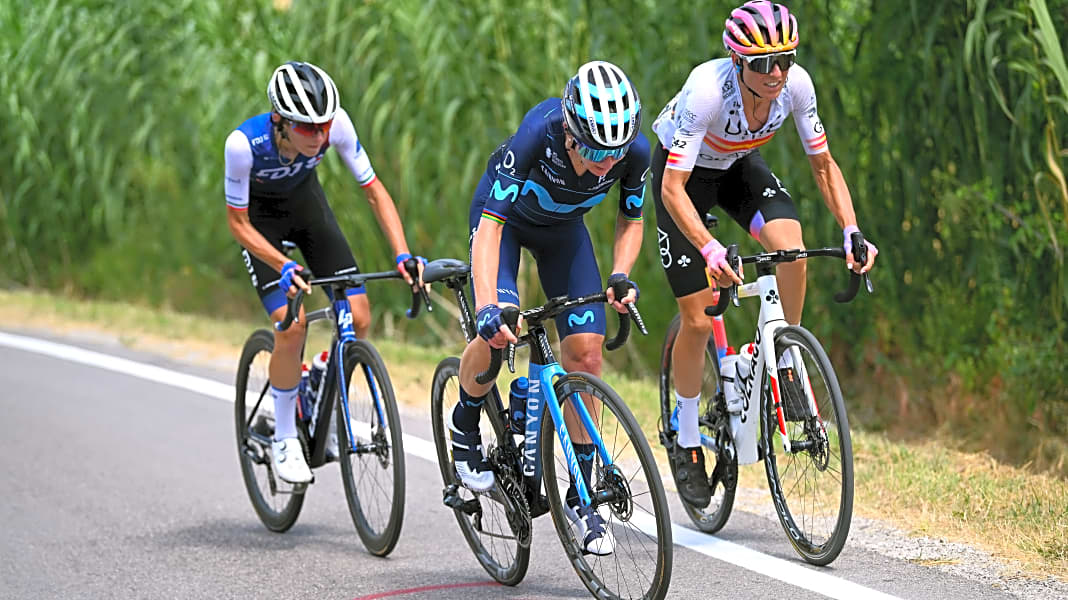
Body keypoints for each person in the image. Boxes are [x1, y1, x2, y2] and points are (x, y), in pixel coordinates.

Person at [651, 1, 878, 508]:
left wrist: (851, 228)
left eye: (785, 60)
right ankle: (686, 439)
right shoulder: (707, 92)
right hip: (682, 178)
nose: (776, 73)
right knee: (695, 320)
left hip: (736, 168)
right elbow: (671, 188)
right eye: (762, 64)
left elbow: (823, 165)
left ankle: (784, 354)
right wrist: (708, 246)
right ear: (738, 63)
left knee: (792, 252)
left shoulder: (795, 85)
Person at [452, 61, 647, 555]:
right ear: (571, 133)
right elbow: (491, 229)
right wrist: (487, 306)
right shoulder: (537, 134)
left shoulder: (633, 152)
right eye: (597, 152)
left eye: (616, 152)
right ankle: (465, 421)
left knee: (586, 355)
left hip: (565, 234)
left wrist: (621, 273)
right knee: (497, 334)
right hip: (508, 224)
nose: (607, 164)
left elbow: (631, 219)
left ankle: (585, 499)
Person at [224, 61, 424, 485]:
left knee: (360, 315)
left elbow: (374, 192)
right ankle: (283, 437)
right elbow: (237, 225)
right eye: (308, 128)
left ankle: (319, 377)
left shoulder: (337, 127)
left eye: (324, 127)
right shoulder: (243, 145)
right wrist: (282, 264)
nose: (319, 136)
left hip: (307, 210)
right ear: (280, 120)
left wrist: (402, 252)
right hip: (260, 225)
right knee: (292, 325)